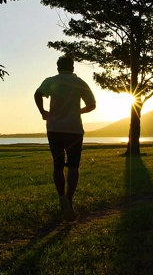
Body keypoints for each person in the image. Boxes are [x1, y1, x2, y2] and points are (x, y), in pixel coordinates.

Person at [34, 55, 96, 221]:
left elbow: (37, 94)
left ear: (58, 67)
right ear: (73, 68)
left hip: (54, 128)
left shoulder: (51, 81)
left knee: (58, 165)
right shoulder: (80, 83)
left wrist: (43, 112)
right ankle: (69, 199)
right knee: (74, 166)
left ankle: (62, 196)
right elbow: (92, 105)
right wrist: (77, 111)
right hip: (74, 129)